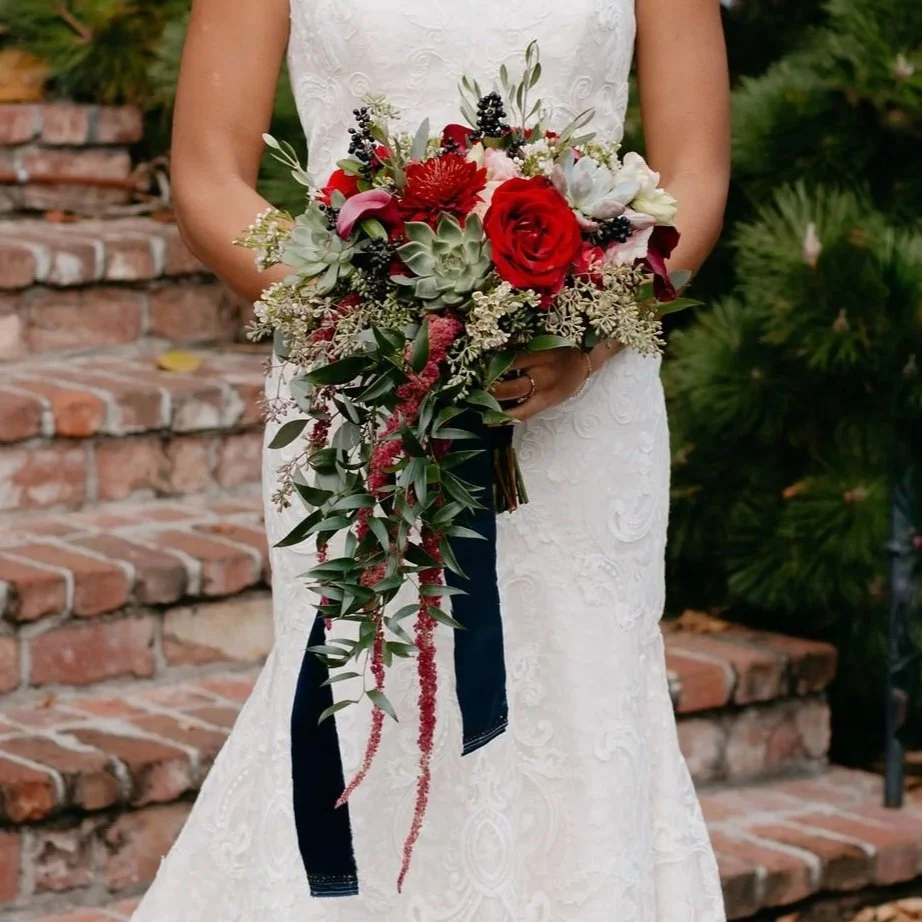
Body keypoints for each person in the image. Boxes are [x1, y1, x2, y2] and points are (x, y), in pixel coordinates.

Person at [131, 1, 730, 919]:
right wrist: (367, 322)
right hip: (356, 388)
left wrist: (591, 336)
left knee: (580, 702)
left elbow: (697, 172)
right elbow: (208, 175)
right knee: (363, 690)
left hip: (584, 402)